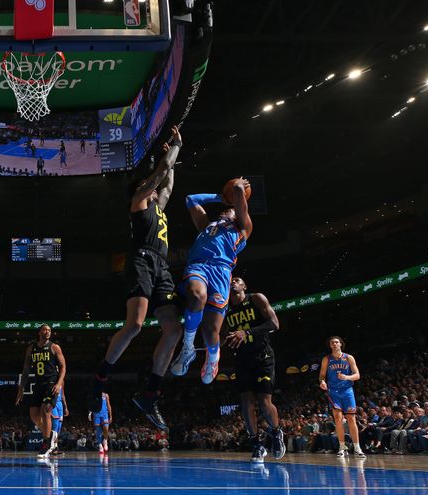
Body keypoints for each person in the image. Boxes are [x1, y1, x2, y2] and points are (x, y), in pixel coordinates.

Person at [90, 127, 183, 430]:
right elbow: (161, 173)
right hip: (141, 260)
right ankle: (101, 376)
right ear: (140, 190)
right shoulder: (139, 203)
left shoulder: (159, 206)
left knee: (173, 329)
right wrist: (170, 153)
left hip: (162, 266)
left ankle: (151, 393)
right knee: (136, 324)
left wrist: (175, 150)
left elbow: (168, 182)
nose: (155, 189)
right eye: (148, 186)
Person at [171, 178, 253, 384]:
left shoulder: (243, 228)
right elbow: (191, 199)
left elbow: (238, 192)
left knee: (210, 332)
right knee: (197, 296)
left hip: (221, 272)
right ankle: (188, 347)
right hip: (198, 266)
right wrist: (221, 198)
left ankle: (213, 358)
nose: (226, 212)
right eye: (226, 209)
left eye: (232, 209)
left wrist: (236, 192)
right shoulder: (207, 226)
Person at [224, 276, 284, 463]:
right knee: (246, 402)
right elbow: (220, 334)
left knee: (264, 402)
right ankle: (257, 444)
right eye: (230, 280)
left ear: (244, 286)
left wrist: (247, 332)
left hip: (262, 356)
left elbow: (274, 324)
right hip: (242, 358)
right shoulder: (224, 309)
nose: (233, 282)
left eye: (238, 280)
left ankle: (276, 432)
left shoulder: (256, 298)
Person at [16, 324, 66, 458]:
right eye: (45, 329)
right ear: (39, 332)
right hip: (37, 384)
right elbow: (26, 370)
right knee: (33, 415)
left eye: (50, 330)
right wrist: (21, 389)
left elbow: (63, 367)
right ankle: (50, 438)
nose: (48, 332)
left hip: (50, 384)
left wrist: (59, 383)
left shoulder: (54, 347)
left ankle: (46, 444)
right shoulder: (31, 348)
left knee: (46, 411)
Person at [319, 336, 366, 458]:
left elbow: (357, 375)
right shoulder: (326, 359)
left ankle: (357, 447)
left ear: (341, 344)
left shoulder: (349, 357)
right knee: (338, 418)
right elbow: (322, 375)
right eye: (332, 343)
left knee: (351, 419)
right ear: (330, 345)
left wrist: (347, 377)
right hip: (333, 391)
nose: (334, 344)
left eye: (336, 342)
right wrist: (322, 382)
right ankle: (342, 447)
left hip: (347, 390)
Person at [49, 386, 68, 456]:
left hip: (60, 404)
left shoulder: (62, 381)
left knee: (59, 426)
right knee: (55, 423)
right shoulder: (51, 378)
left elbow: (62, 394)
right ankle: (51, 446)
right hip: (52, 403)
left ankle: (55, 447)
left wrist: (65, 407)